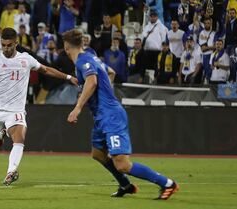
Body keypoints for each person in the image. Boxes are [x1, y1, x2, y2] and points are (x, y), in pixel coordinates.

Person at [0, 28, 78, 186]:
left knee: (19, 138)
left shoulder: (26, 59)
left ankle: (11, 171)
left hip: (16, 110)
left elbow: (46, 70)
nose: (5, 48)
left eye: (9, 45)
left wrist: (68, 77)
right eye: (3, 45)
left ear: (16, 43)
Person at [63, 29, 179, 200]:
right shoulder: (90, 56)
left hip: (111, 116)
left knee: (122, 164)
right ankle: (126, 185)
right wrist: (105, 93)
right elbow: (111, 72)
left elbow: (92, 81)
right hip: (102, 115)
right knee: (98, 154)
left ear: (66, 47)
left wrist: (78, 107)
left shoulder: (82, 60)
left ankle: (167, 183)